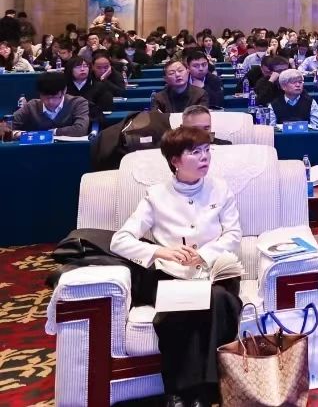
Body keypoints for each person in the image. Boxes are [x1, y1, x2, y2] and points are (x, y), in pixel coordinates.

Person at [111, 126, 244, 406]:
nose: (204, 157)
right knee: (177, 313)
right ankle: (181, 392)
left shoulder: (220, 189)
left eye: (206, 150)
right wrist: (162, 251)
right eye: (195, 152)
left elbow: (233, 235)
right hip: (172, 276)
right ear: (175, 161)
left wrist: (204, 255)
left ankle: (205, 392)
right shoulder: (156, 195)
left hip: (214, 273)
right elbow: (119, 241)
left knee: (219, 301)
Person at [9, 70, 92, 136]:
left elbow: (81, 129)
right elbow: (6, 126)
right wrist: (17, 134)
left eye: (55, 97)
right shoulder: (32, 106)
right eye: (45, 97)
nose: (50, 102)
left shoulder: (78, 103)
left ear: (64, 91)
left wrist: (51, 132)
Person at [64, 56, 113, 122]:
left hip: (92, 121)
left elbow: (105, 109)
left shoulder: (99, 86)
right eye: (78, 67)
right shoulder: (64, 87)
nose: (82, 69)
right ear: (70, 69)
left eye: (85, 66)